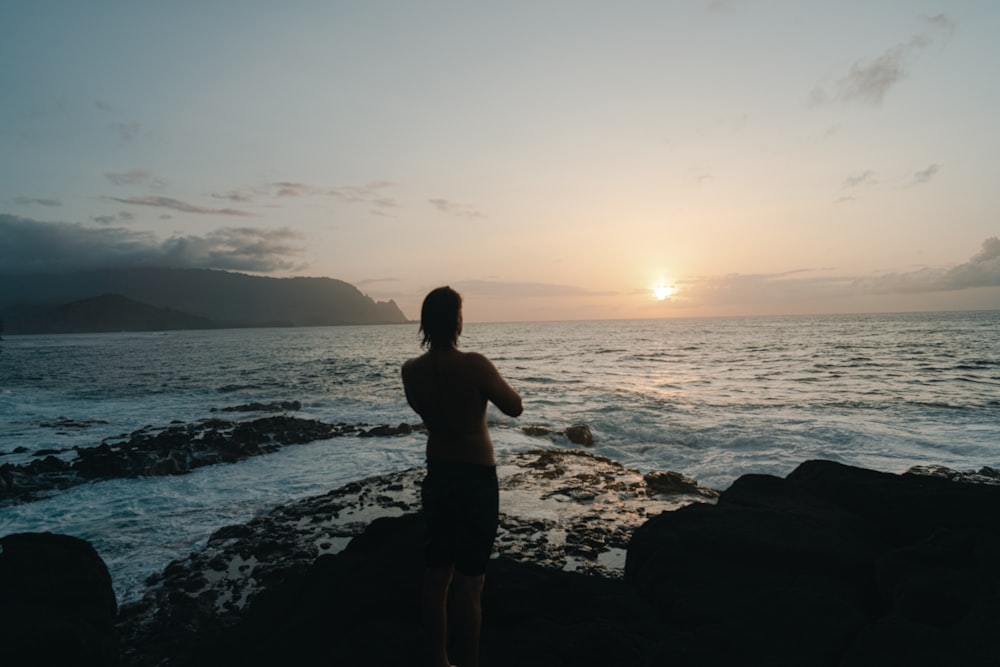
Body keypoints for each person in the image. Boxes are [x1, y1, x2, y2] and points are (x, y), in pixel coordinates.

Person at [401, 286, 523, 667]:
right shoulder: (474, 364)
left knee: (436, 577)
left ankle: (438, 660)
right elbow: (515, 407)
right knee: (471, 581)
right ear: (457, 320)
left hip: (438, 475)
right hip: (475, 480)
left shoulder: (411, 371)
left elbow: (425, 412)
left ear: (425, 322)